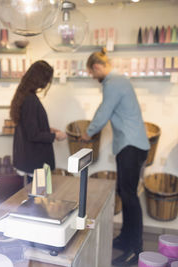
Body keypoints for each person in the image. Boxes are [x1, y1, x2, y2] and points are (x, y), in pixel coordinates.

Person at [81, 48, 150, 266]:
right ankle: (126, 237)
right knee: (125, 191)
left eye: (93, 74)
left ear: (97, 67)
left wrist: (88, 132)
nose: (94, 78)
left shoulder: (113, 83)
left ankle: (136, 248)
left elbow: (104, 111)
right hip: (130, 145)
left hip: (131, 145)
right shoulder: (119, 81)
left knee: (129, 195)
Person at [10, 60, 67, 183]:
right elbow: (33, 134)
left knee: (36, 196)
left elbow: (29, 127)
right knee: (37, 198)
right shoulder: (30, 100)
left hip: (30, 159)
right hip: (35, 162)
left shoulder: (24, 96)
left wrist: (49, 129)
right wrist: (56, 135)